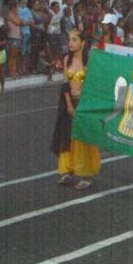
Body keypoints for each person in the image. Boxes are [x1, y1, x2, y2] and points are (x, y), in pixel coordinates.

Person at [51, 30, 100, 190]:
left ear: (83, 42)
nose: (70, 43)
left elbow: (93, 85)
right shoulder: (67, 59)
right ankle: (67, 170)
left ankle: (86, 174)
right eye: (69, 40)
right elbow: (66, 84)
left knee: (83, 139)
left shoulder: (89, 62)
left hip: (84, 103)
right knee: (66, 136)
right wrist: (69, 106)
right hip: (68, 103)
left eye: (74, 40)